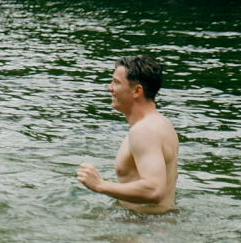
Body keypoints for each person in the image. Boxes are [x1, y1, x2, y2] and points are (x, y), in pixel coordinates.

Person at [76, 55, 178, 213]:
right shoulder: (162, 123)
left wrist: (99, 185)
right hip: (158, 225)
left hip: (143, 228)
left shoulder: (144, 130)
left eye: (116, 82)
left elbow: (154, 190)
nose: (109, 88)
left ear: (137, 91)